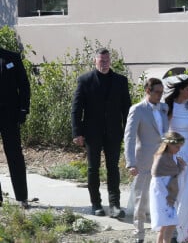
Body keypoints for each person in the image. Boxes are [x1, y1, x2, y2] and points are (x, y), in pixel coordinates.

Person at [71, 48, 131, 218]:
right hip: (92, 133)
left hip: (113, 132)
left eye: (107, 60)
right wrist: (77, 132)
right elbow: (76, 109)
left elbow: (126, 109)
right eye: (101, 61)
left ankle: (114, 205)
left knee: (113, 168)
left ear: (110, 61)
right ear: (95, 61)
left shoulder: (121, 81)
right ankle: (96, 203)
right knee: (93, 168)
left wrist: (129, 132)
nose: (104, 64)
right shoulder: (85, 80)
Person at [124, 78, 169, 243]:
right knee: (141, 199)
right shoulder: (137, 110)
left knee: (166, 197)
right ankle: (139, 235)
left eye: (161, 92)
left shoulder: (164, 108)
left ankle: (166, 234)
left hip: (164, 160)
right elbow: (129, 138)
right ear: (148, 91)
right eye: (157, 92)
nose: (160, 95)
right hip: (144, 160)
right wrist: (131, 162)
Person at [163, 74, 188, 242]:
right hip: (174, 152)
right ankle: (173, 230)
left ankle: (187, 226)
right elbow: (164, 131)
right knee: (175, 191)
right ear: (180, 89)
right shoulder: (169, 106)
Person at [0, 47, 30, 208]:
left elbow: (24, 85)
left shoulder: (11, 57)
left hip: (9, 115)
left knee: (14, 155)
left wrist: (24, 109)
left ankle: (22, 197)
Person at [150, 132, 186, 243]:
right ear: (169, 145)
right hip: (161, 194)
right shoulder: (161, 158)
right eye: (177, 146)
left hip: (168, 194)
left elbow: (174, 171)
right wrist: (165, 196)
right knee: (165, 224)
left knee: (169, 224)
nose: (179, 149)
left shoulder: (173, 157)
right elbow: (156, 176)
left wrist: (180, 166)